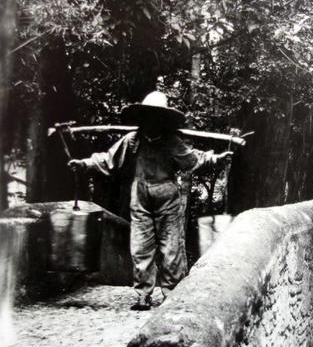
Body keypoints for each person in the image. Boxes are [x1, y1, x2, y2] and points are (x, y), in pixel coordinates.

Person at [69, 90, 232, 311]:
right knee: (140, 247)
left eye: (156, 116)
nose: (151, 121)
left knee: (171, 248)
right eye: (148, 116)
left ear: (163, 119)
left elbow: (194, 159)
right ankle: (143, 295)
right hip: (141, 197)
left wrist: (217, 159)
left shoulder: (172, 142)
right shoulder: (132, 140)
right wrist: (85, 164)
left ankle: (172, 293)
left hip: (167, 197)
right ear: (142, 117)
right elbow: (108, 159)